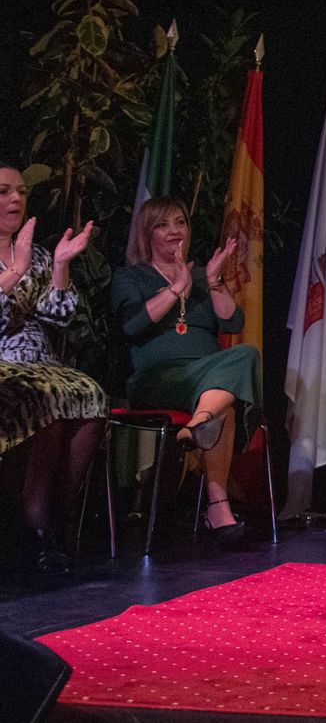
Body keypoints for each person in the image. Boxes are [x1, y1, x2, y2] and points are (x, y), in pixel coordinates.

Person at [111, 196, 258, 546]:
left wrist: (214, 282)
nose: (174, 231)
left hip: (205, 378)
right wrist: (176, 288)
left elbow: (232, 321)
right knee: (225, 405)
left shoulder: (202, 276)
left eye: (180, 222)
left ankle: (197, 429)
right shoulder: (130, 277)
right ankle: (217, 505)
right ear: (147, 235)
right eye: (163, 225)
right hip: (157, 378)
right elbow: (131, 325)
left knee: (244, 355)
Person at [0, 161, 105, 576]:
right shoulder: (23, 260)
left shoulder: (39, 253)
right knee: (48, 400)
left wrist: (59, 264)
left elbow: (59, 316)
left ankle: (44, 523)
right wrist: (13, 275)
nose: (15, 199)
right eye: (4, 191)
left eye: (22, 191)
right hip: (5, 364)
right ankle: (40, 532)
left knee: (91, 394)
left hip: (42, 362)